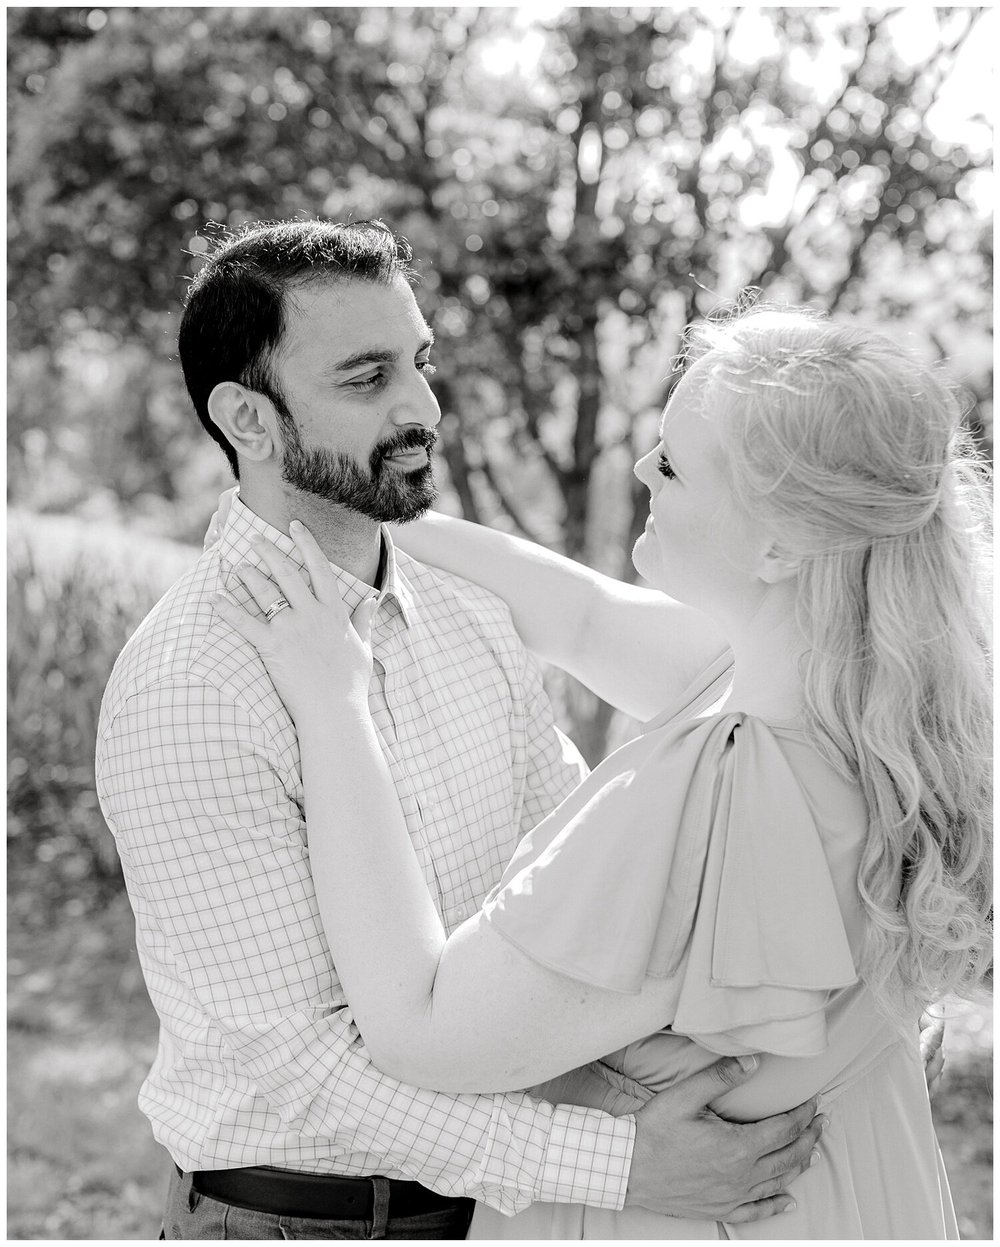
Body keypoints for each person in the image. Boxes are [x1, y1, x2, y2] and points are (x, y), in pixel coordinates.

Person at [95, 219, 825, 1241]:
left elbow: (559, 890)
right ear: (248, 420)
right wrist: (618, 1159)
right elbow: (292, 1066)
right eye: (366, 378)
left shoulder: (467, 602)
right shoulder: (194, 686)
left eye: (420, 362)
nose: (420, 407)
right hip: (303, 1221)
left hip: (496, 1208)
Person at [216, 302, 992, 1238]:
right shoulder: (865, 694)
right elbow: (577, 615)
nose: (639, 469)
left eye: (672, 461)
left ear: (780, 544)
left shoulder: (717, 794)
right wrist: (338, 516)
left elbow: (423, 1027)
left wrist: (331, 701)